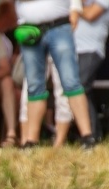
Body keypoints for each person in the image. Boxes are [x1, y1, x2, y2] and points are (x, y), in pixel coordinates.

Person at [14, 0, 95, 149]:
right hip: (29, 29)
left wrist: (75, 9)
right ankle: (31, 140)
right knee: (34, 86)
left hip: (59, 25)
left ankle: (87, 136)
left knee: (71, 82)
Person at [75, 0, 109, 140]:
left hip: (91, 48)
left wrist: (74, 6)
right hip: (75, 49)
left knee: (80, 88)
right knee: (81, 90)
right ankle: (93, 133)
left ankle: (91, 134)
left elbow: (90, 14)